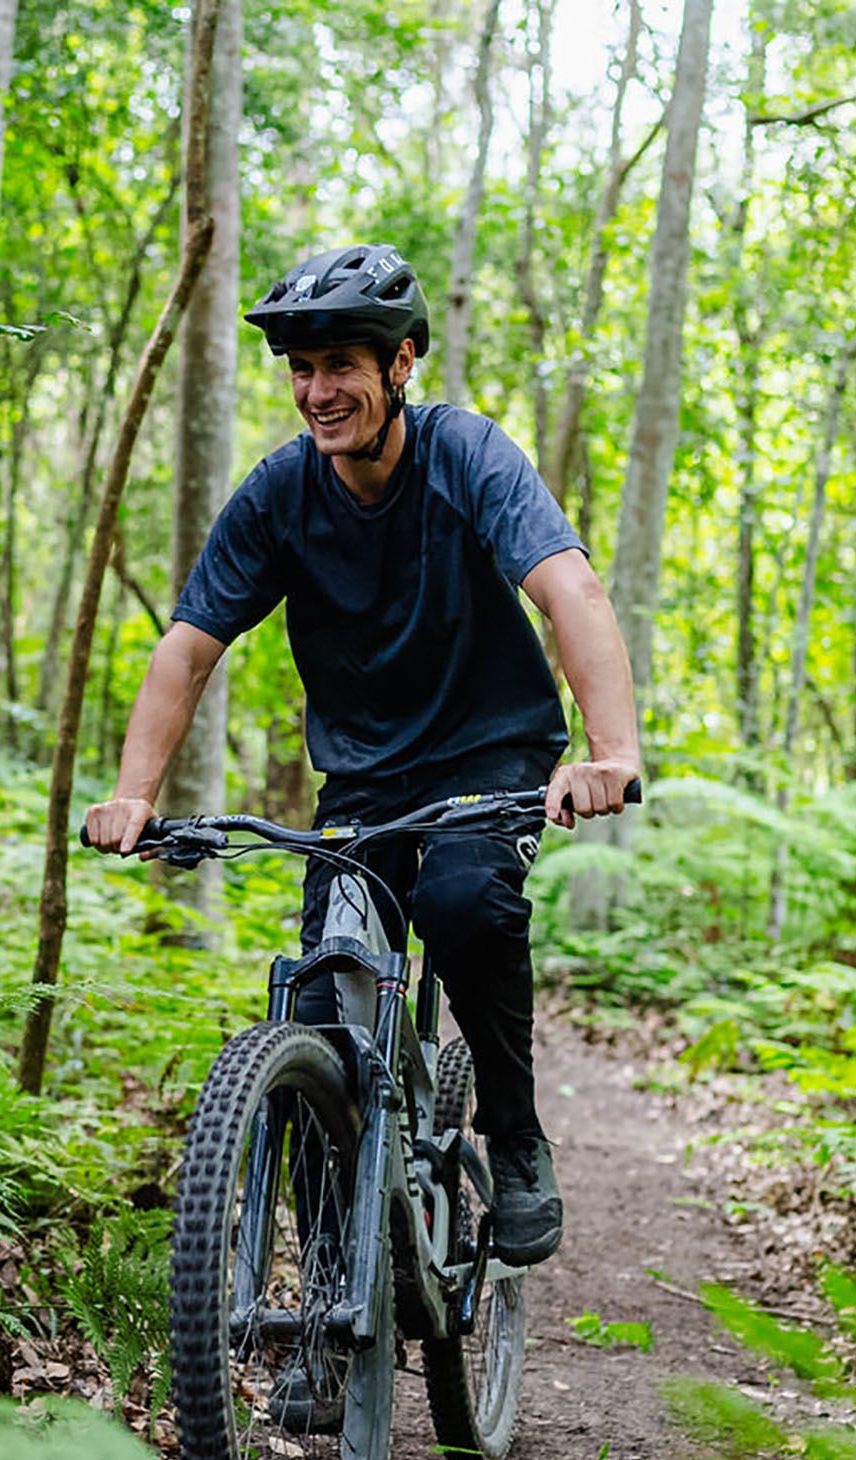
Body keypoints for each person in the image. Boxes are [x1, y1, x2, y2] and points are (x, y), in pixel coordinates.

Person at [85, 243, 641, 1269]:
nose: (317, 391)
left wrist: (610, 752)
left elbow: (571, 590)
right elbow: (189, 646)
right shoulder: (280, 494)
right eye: (301, 368)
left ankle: (514, 1139)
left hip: (491, 754)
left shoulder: (467, 455)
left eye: (341, 362)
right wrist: (133, 794)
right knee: (312, 1002)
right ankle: (332, 1291)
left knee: (466, 908)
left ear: (402, 364)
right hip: (368, 778)